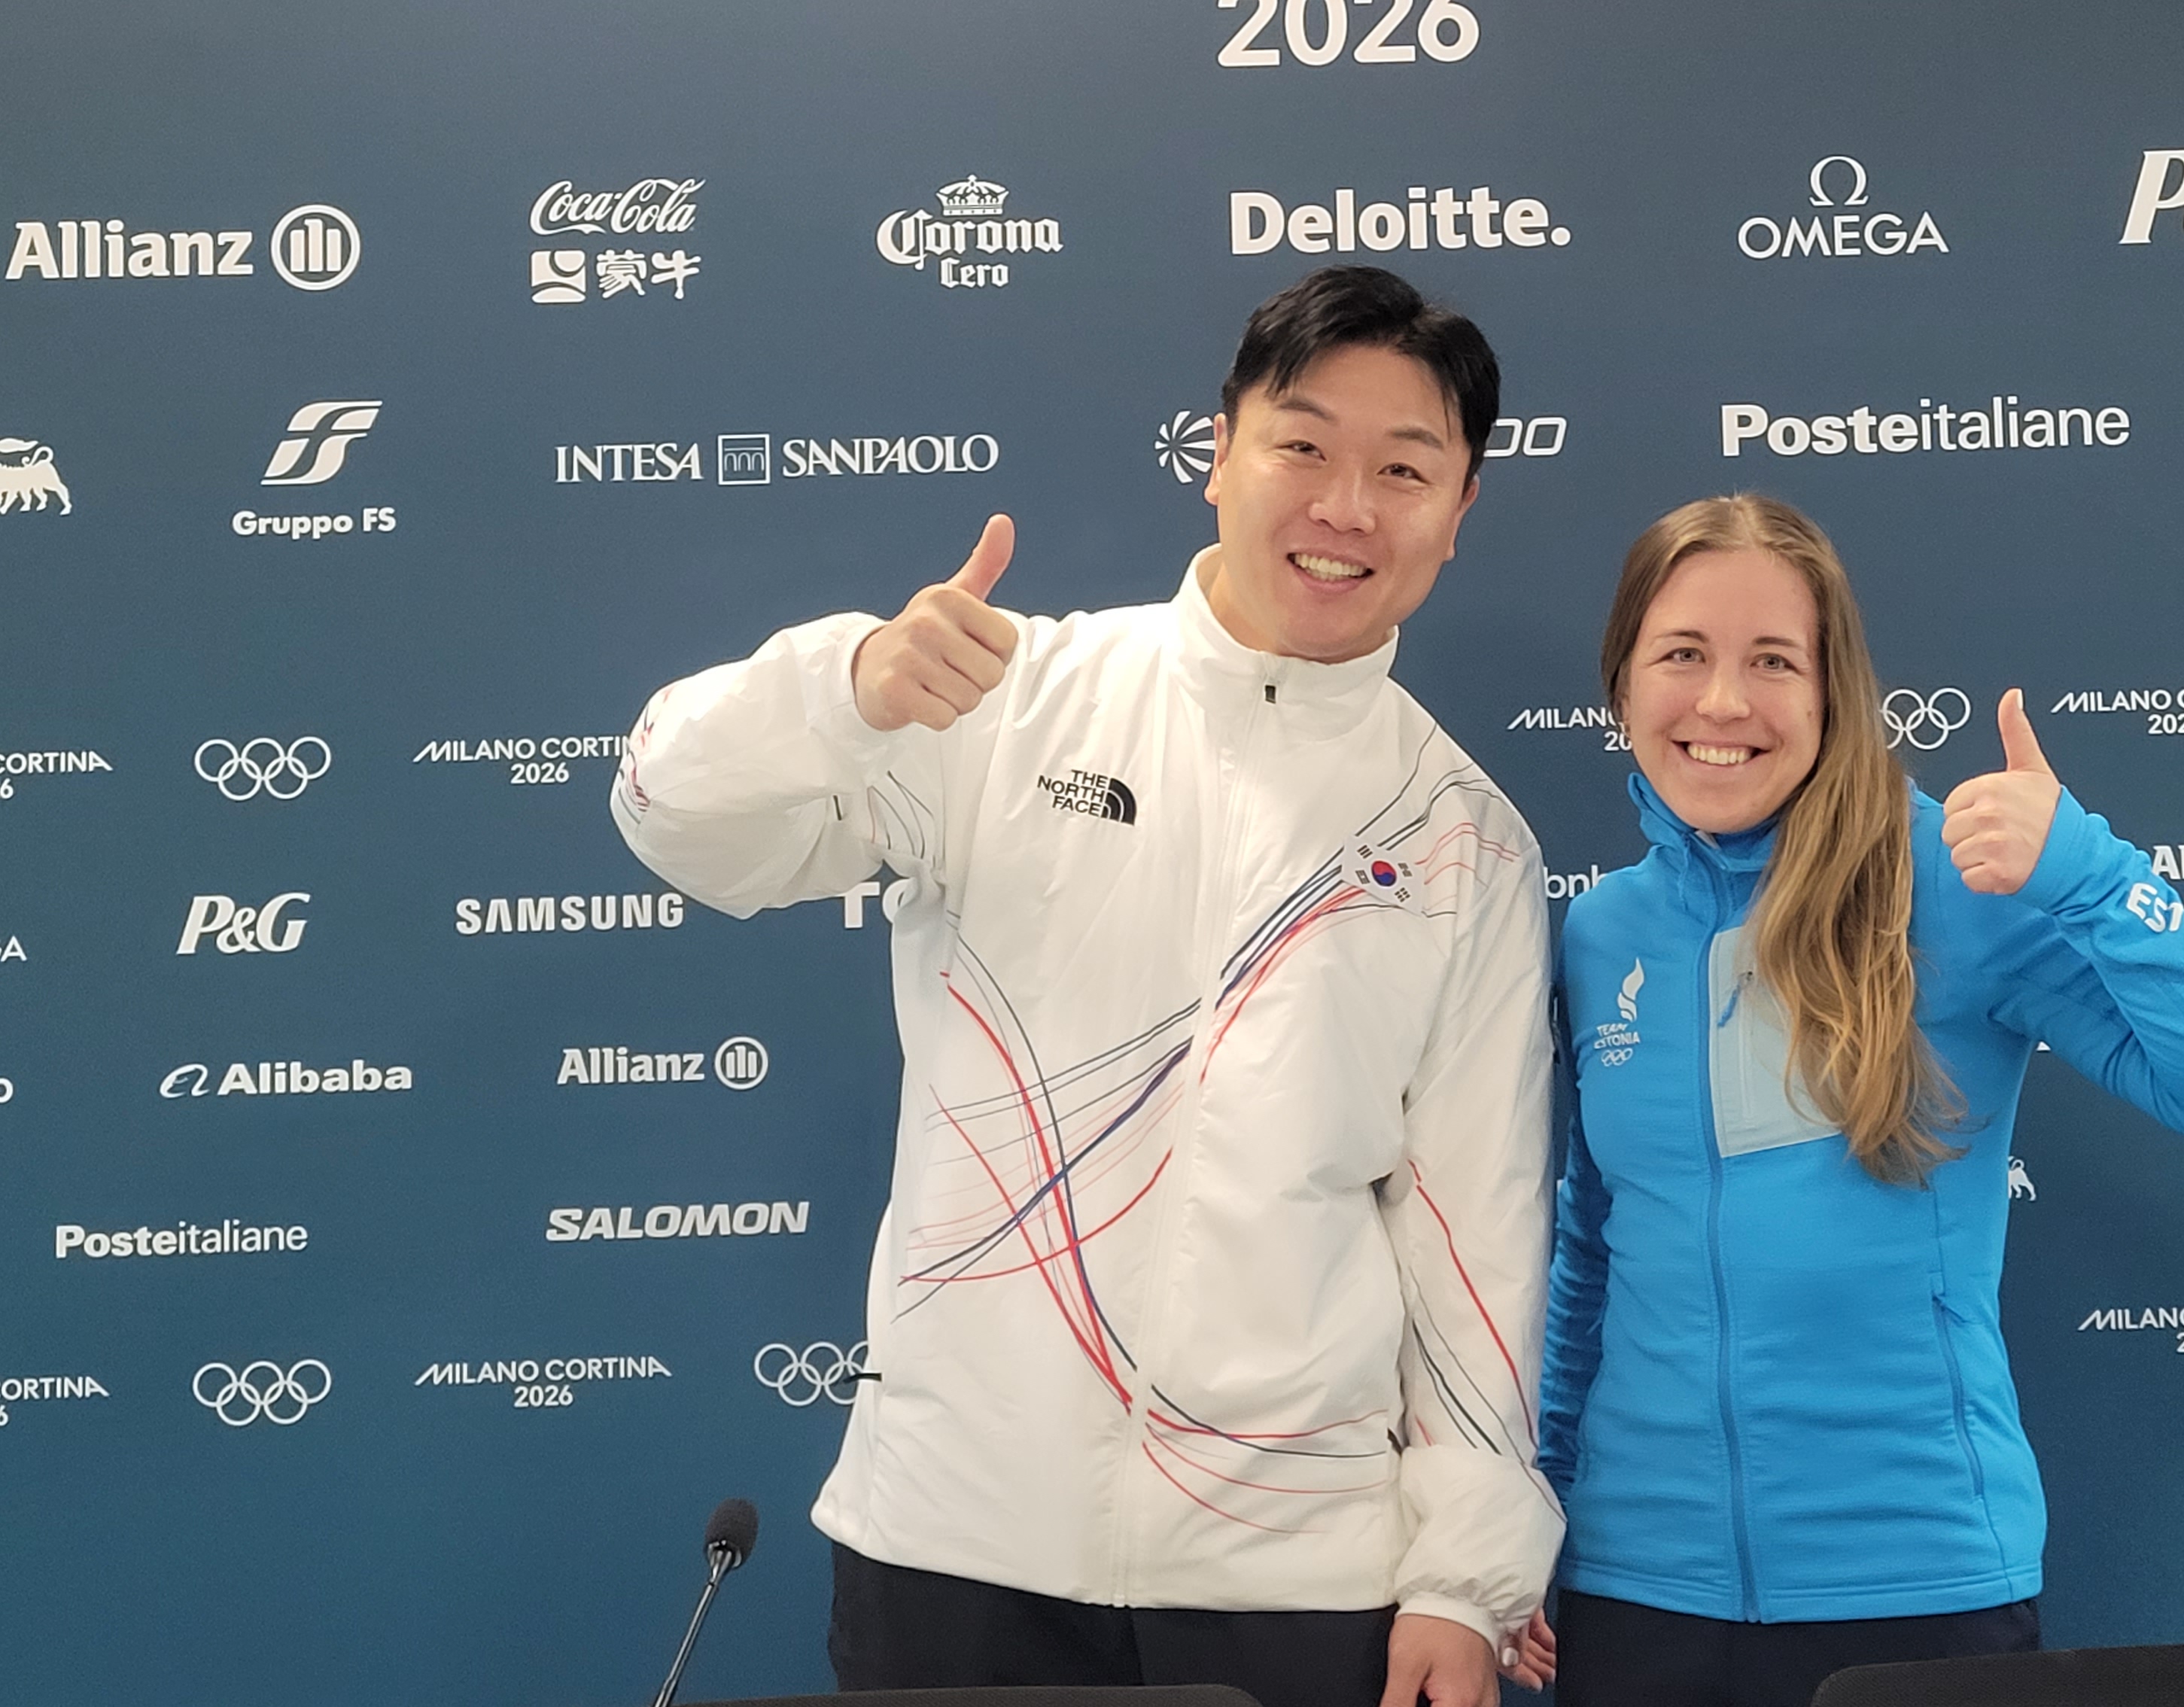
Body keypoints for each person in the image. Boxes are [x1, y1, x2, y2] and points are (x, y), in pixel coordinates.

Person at [613, 266, 1562, 1707]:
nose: (1345, 506)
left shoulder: (1465, 838)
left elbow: (1475, 1237)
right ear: (1218, 455)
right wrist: (844, 689)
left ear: (1461, 507)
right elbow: (674, 819)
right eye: (1301, 446)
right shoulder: (1001, 698)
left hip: (1299, 1581)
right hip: (955, 1546)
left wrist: (1460, 1577)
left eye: (1403, 468)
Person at [1526, 494, 2184, 1707]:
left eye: (1773, 662)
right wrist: (1540, 1511)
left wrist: (2093, 876)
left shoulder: (1957, 880)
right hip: (1637, 1597)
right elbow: (1591, 1251)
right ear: (1622, 687)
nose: (1724, 703)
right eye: (1682, 655)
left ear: (1834, 692)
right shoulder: (1602, 930)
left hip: (1915, 1595)